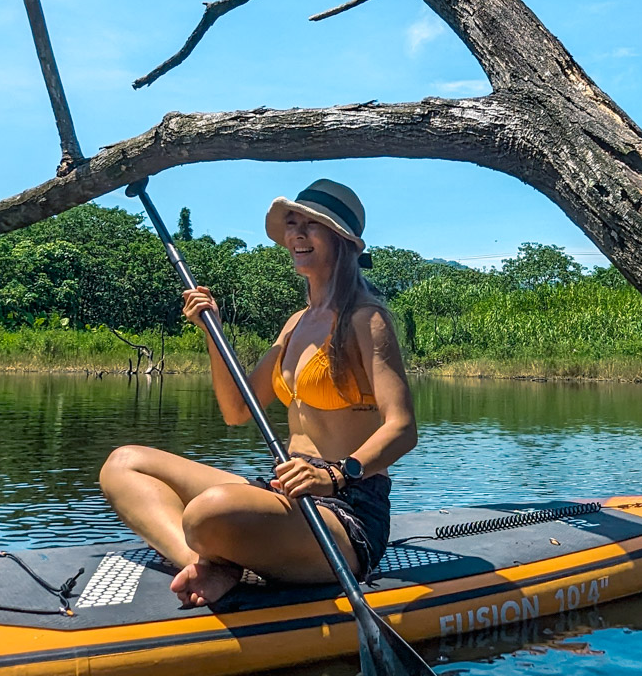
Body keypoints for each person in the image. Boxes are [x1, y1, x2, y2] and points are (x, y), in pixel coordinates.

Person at [100, 180, 417, 607]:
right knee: (124, 464)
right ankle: (208, 564)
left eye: (313, 225)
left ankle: (218, 552)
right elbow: (236, 411)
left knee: (208, 512)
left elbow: (403, 428)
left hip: (345, 508)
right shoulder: (295, 324)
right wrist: (212, 332)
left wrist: (337, 473)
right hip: (285, 490)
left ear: (343, 241)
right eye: (293, 223)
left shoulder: (367, 319)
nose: (297, 234)